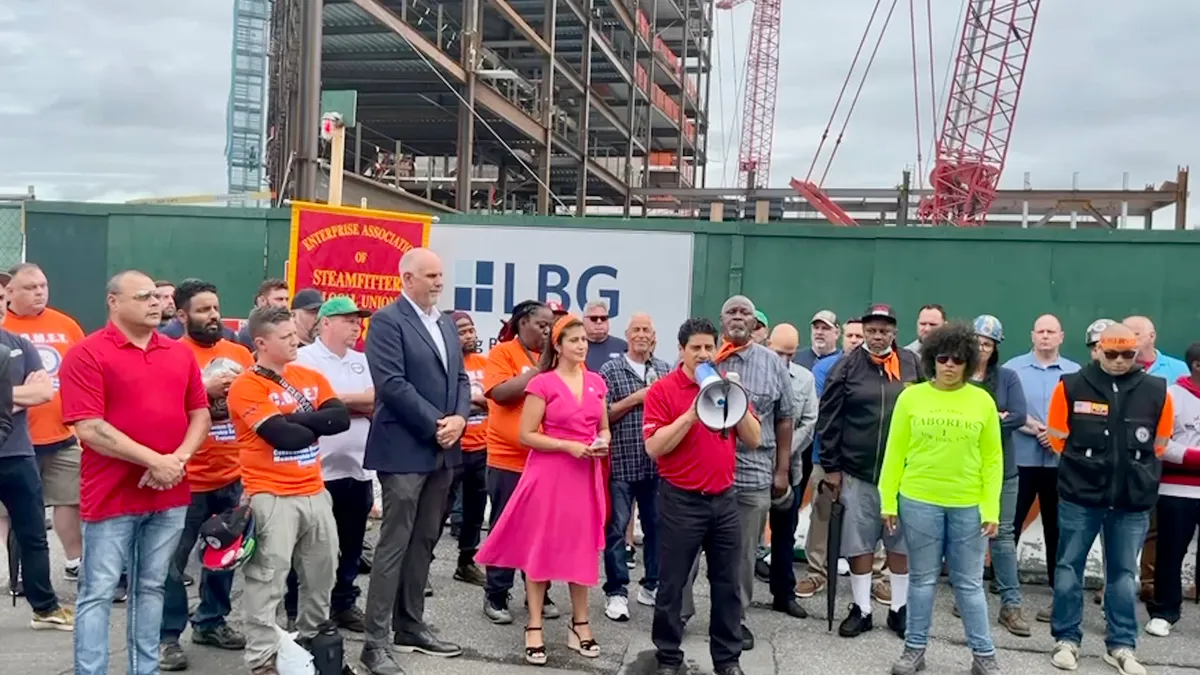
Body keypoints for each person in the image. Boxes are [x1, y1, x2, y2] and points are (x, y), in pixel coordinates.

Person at [60, 270, 212, 675]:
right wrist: (154, 461)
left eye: (157, 297)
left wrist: (175, 460)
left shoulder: (178, 353)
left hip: (170, 492)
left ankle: (144, 669)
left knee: (152, 587)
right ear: (113, 301)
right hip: (111, 495)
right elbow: (89, 428)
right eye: (143, 296)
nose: (155, 303)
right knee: (98, 592)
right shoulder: (87, 353)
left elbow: (199, 414)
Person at [476, 314, 611, 666]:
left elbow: (604, 427)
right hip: (549, 473)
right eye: (575, 340)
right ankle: (533, 625)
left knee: (581, 549)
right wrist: (567, 447)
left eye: (584, 340)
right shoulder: (543, 383)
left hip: (584, 474)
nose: (582, 345)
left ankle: (580, 622)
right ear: (559, 346)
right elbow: (527, 434)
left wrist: (601, 442)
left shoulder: (597, 382)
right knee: (542, 548)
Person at [360, 248, 471, 674]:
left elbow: (460, 377)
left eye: (441, 274)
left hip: (443, 448)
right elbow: (391, 384)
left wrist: (460, 418)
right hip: (405, 448)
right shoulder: (388, 321)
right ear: (406, 279)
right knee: (395, 544)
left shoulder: (443, 321)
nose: (438, 282)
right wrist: (437, 422)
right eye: (430, 275)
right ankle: (376, 642)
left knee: (425, 540)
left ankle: (411, 625)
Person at [226, 305, 350, 675]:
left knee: (321, 574)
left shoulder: (309, 376)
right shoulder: (246, 386)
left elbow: (340, 419)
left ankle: (312, 642)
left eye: (295, 335)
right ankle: (262, 658)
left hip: (314, 491)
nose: (295, 342)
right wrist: (309, 423)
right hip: (270, 496)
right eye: (285, 338)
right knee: (267, 580)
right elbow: (284, 437)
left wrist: (294, 420)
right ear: (261, 342)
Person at [1045, 323, 1172, 675]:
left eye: (1127, 354)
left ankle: (1121, 646)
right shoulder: (1070, 386)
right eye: (1111, 353)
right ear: (1098, 349)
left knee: (1123, 574)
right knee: (1069, 568)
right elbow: (1057, 438)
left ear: (1137, 353)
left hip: (1131, 500)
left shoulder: (1157, 390)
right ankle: (1066, 640)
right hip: (1080, 497)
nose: (1118, 361)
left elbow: (1160, 444)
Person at [880, 321, 1003, 675]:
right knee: (921, 580)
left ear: (968, 361)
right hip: (919, 500)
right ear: (932, 358)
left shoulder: (982, 401)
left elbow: (994, 460)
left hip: (969, 504)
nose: (949, 365)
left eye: (957, 359)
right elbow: (894, 451)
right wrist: (889, 500)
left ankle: (984, 657)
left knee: (968, 584)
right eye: (943, 358)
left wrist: (990, 507)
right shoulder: (911, 397)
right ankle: (914, 651)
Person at [644, 317, 761, 675]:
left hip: (724, 499)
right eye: (695, 348)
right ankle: (668, 657)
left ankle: (727, 660)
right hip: (681, 500)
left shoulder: (728, 386)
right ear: (681, 351)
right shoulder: (662, 390)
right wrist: (692, 414)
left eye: (709, 347)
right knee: (673, 584)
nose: (703, 354)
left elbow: (754, 439)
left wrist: (734, 403)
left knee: (727, 584)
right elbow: (654, 447)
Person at [681, 295, 793, 651]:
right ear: (722, 318)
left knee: (743, 555)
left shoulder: (772, 363)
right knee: (687, 550)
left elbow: (786, 418)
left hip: (752, 472)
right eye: (732, 311)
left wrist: (783, 470)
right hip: (702, 471)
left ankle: (735, 619)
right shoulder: (702, 358)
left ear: (756, 322)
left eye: (745, 312)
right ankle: (678, 615)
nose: (738, 317)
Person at [159, 279, 253, 671]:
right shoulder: (168, 354)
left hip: (232, 476)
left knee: (222, 557)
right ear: (181, 315)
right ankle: (166, 637)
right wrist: (204, 387)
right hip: (185, 479)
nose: (212, 316)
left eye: (215, 308)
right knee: (170, 565)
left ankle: (211, 621)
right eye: (202, 310)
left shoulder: (239, 352)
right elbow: (159, 410)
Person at [819, 303, 920, 638]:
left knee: (900, 542)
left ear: (894, 331)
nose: (878, 336)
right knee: (859, 542)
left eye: (884, 330)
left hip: (903, 475)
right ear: (863, 331)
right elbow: (829, 420)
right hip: (858, 472)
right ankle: (862, 609)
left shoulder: (912, 364)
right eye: (872, 330)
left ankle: (899, 608)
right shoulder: (846, 366)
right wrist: (832, 469)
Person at [288, 297, 377, 632]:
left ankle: (343, 603)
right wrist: (346, 404)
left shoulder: (362, 360)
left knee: (350, 543)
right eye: (349, 321)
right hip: (317, 470)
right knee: (310, 546)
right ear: (326, 322)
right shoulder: (304, 359)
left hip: (357, 467)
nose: (357, 327)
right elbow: (305, 406)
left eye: (358, 321)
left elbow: (374, 401)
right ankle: (298, 607)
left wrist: (334, 402)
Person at [2, 263, 87, 587]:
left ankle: (75, 561)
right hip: (12, 440)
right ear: (9, 293)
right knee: (15, 512)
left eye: (42, 285)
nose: (39, 292)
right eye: (30, 287)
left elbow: (79, 375)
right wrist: (25, 395)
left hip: (62, 433)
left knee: (70, 499)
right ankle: (18, 572)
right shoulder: (5, 326)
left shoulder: (65, 325)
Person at [481, 300, 559, 624]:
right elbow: (499, 393)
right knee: (506, 529)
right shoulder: (503, 353)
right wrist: (540, 371)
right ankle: (496, 594)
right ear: (523, 322)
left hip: (546, 462)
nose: (547, 330)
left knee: (543, 533)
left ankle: (538, 593)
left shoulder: (558, 359)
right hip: (507, 461)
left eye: (551, 325)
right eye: (542, 324)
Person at [1003, 313, 1079, 623]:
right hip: (1020, 459)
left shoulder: (1076, 373)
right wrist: (1036, 430)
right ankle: (1002, 585)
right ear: (1032, 336)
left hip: (1061, 464)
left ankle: (1057, 590)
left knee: (1057, 528)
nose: (1045, 336)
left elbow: (1083, 414)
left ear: (1062, 336)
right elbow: (1005, 410)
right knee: (1010, 524)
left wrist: (1058, 435)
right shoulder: (1012, 370)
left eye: (1051, 332)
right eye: (1040, 331)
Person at [598, 313, 670, 622]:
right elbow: (603, 415)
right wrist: (636, 398)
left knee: (657, 528)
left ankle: (651, 585)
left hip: (657, 465)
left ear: (654, 337)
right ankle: (617, 592)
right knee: (616, 528)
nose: (641, 335)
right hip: (621, 463)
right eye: (636, 330)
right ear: (627, 336)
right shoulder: (611, 369)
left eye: (647, 330)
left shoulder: (666, 370)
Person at [964, 316, 1029, 636]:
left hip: (1003, 471)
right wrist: (993, 417)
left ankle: (1011, 605)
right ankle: (968, 598)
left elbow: (1017, 416)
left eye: (987, 344)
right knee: (967, 533)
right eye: (976, 342)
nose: (981, 348)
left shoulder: (1008, 378)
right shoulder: (956, 375)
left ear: (995, 348)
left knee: (1002, 536)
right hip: (963, 469)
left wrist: (978, 422)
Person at [1146, 342, 1200, 638]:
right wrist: (1195, 458)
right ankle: (1164, 612)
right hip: (1176, 491)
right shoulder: (1172, 396)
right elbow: (1160, 443)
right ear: (1196, 366)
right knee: (1170, 552)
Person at [763, 323, 817, 619]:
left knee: (785, 535)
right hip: (754, 469)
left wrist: (782, 452)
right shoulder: (756, 372)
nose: (783, 359)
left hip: (791, 470)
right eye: (778, 352)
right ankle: (737, 600)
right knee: (744, 540)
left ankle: (783, 593)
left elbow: (809, 422)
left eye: (790, 354)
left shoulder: (805, 380)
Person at [449, 310, 489, 586]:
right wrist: (476, 401)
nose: (469, 336)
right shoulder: (446, 365)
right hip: (453, 447)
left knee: (476, 510)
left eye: (471, 330)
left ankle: (466, 562)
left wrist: (473, 401)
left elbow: (494, 399)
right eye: (462, 331)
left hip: (484, 447)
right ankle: (421, 569)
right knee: (438, 509)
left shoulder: (486, 363)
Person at [582, 300, 628, 372]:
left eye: (603, 318)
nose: (599, 322)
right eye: (594, 318)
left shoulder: (623, 346)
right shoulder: (578, 347)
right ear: (584, 320)